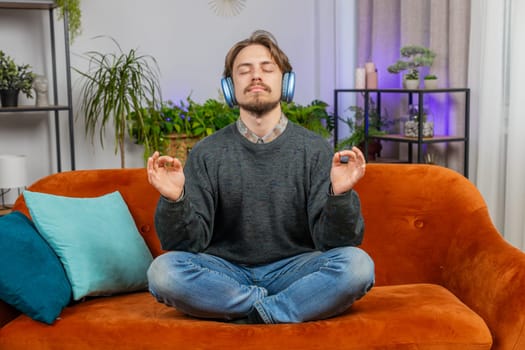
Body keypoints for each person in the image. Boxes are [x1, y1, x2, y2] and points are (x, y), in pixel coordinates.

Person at [146, 30, 374, 324]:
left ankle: (255, 312)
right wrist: (175, 199)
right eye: (245, 70)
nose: (256, 76)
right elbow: (187, 245)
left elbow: (338, 242)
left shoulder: (315, 150)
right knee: (163, 272)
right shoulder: (207, 152)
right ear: (230, 87)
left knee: (358, 266)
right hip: (225, 272)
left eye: (267, 69)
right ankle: (279, 310)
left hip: (295, 271)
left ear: (286, 82)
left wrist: (339, 196)